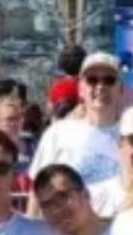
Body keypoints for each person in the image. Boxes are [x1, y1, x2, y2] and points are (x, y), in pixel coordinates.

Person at [29, 51, 125, 192]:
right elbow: (37, 189)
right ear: (80, 89)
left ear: (121, 89)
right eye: (92, 80)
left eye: (109, 80)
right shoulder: (57, 133)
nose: (100, 86)